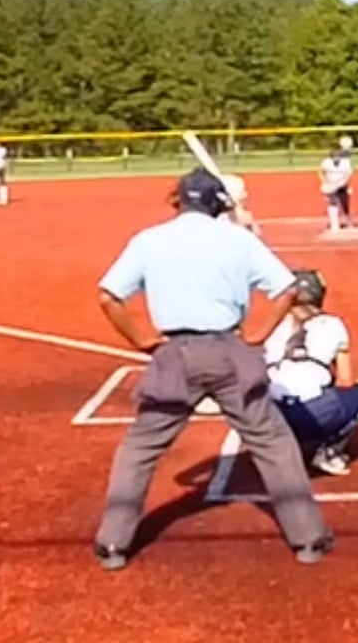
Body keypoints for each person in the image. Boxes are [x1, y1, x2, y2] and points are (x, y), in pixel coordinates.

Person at [92, 168, 333, 571]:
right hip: (229, 349)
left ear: (179, 201)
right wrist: (260, 333)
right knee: (272, 441)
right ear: (217, 204)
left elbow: (108, 297)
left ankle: (113, 543)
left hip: (175, 353)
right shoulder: (238, 239)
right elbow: (287, 288)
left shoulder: (149, 240)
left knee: (141, 447)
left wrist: (140, 340)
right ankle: (309, 539)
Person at [264, 269, 358, 476]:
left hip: (268, 416)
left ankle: (273, 448)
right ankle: (328, 453)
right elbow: (345, 381)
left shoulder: (273, 326)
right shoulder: (333, 325)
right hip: (308, 415)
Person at [318, 145, 356, 232]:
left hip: (342, 185)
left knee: (345, 204)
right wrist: (325, 181)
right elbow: (321, 172)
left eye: (338, 156)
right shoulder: (326, 162)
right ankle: (334, 223)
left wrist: (344, 184)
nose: (336, 158)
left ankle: (348, 221)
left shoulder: (346, 163)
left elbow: (348, 174)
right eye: (334, 156)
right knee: (333, 202)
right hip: (330, 185)